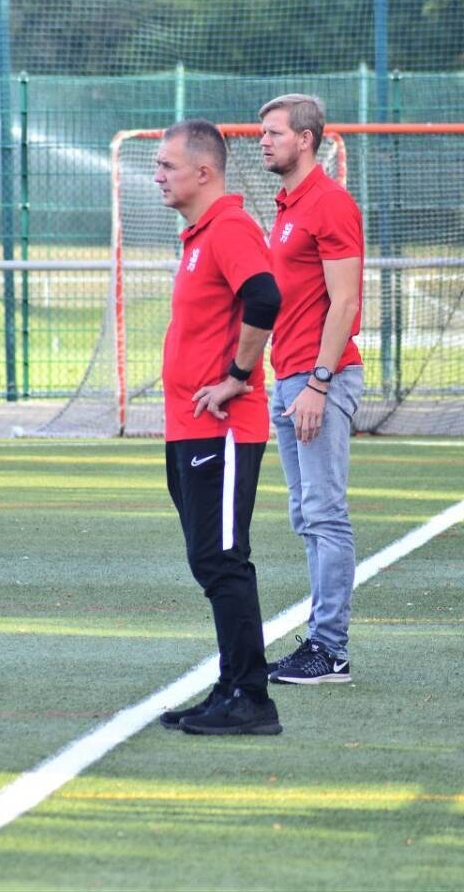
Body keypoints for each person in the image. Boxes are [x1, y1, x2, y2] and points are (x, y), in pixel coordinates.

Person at [153, 118, 283, 735]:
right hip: (189, 427)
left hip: (222, 429)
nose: (157, 176)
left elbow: (265, 297)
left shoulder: (229, 227)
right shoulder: (199, 234)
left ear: (203, 172)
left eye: (167, 166)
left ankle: (252, 699)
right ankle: (230, 687)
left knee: (223, 559)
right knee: (209, 560)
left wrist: (236, 375)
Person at [259, 93, 364, 685]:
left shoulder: (329, 202)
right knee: (306, 515)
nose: (263, 142)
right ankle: (322, 644)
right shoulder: (287, 205)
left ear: (305, 139)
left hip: (319, 378)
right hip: (289, 378)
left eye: (274, 133)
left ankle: (330, 650)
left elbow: (344, 302)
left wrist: (319, 382)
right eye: (262, 133)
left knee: (324, 513)